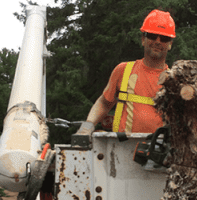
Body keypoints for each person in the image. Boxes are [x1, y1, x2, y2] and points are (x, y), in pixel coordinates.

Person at [75, 9, 176, 138]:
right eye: (152, 36)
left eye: (164, 38)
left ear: (170, 44)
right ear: (143, 40)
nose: (157, 41)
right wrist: (87, 126)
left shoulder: (174, 80)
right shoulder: (124, 70)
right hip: (121, 148)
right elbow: (104, 103)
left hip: (159, 151)